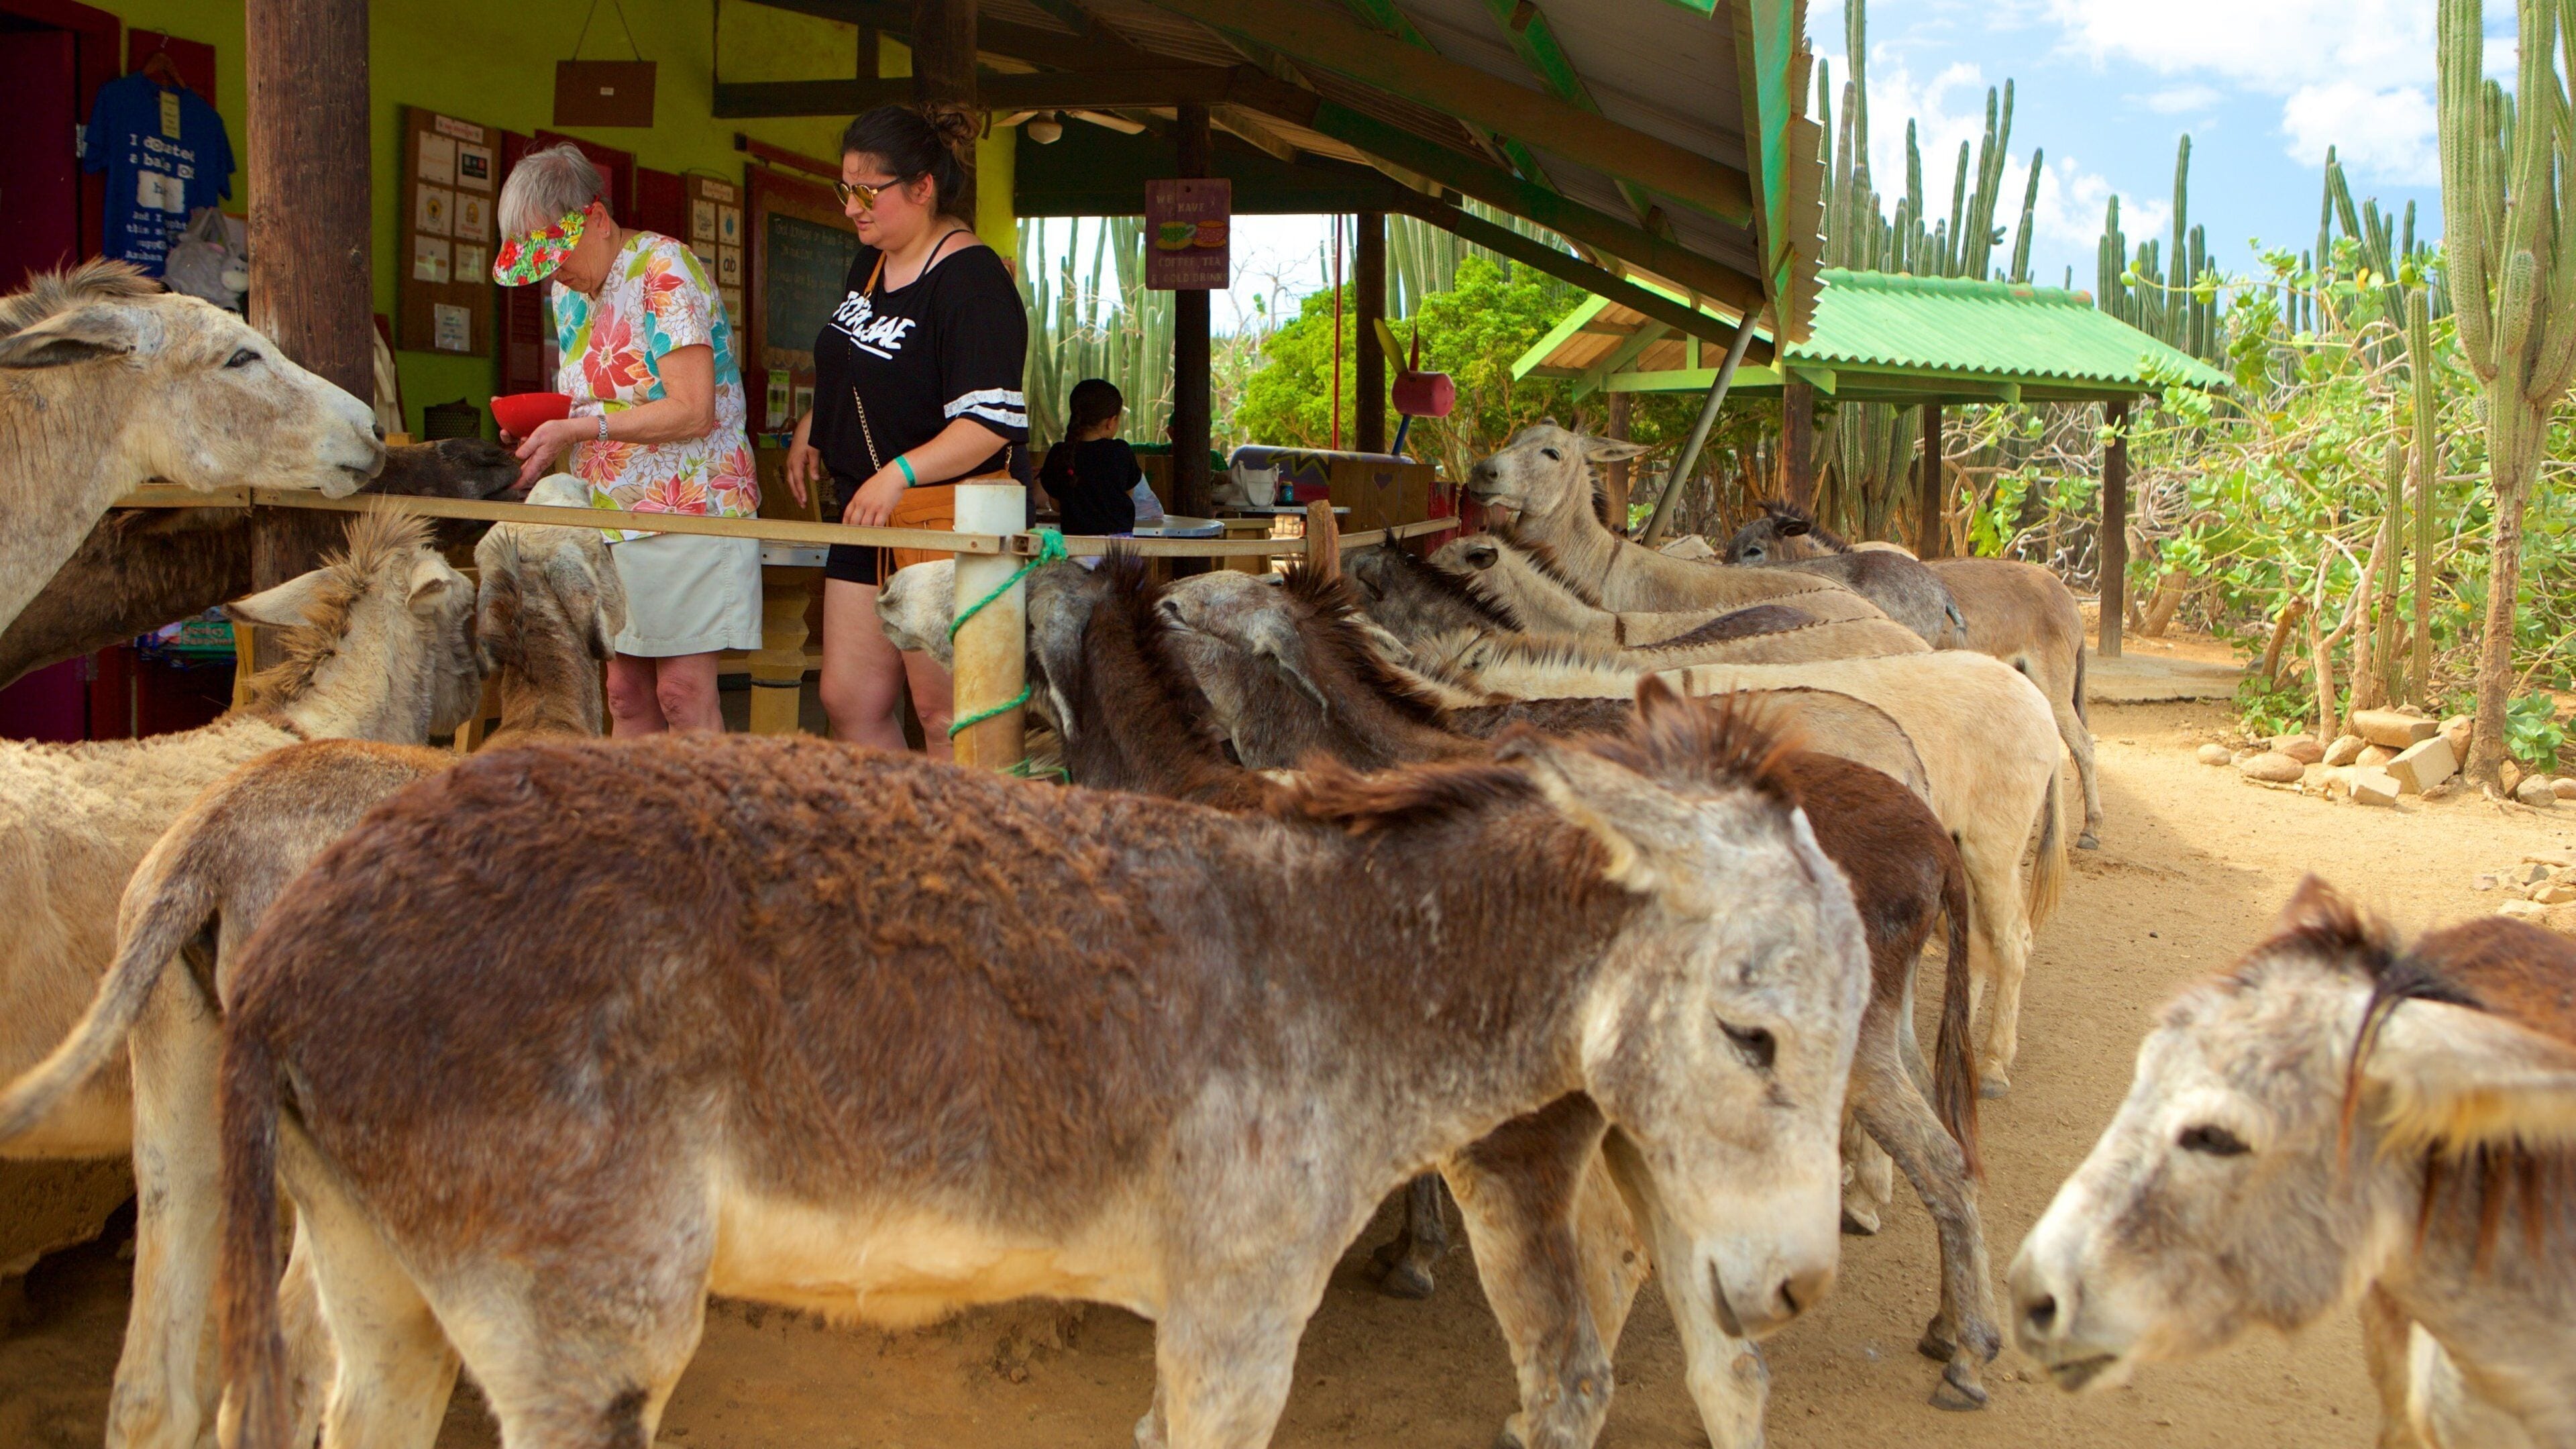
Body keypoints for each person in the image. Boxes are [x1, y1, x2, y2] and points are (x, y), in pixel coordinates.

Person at [492, 142, 760, 735]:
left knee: (682, 693)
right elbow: (595, 393)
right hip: (607, 513)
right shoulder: (568, 290)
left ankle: (705, 826)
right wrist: (543, 428)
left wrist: (580, 426)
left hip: (687, 506)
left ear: (597, 218)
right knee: (624, 694)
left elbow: (693, 410)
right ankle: (637, 827)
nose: (553, 270)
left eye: (557, 253)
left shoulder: (664, 268)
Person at [784, 106, 1028, 755]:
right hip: (868, 510)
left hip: (946, 514)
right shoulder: (867, 264)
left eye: (868, 192)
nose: (852, 208)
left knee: (945, 712)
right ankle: (897, 837)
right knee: (847, 697)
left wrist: (899, 472)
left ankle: (964, 852)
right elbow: (860, 362)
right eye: (845, 190)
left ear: (922, 188)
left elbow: (990, 424)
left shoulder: (972, 282)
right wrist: (818, 419)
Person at [1036, 378, 1144, 537]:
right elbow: (1128, 493)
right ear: (1111, 422)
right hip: (1120, 550)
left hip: (1076, 548)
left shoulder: (1060, 453)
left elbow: (1056, 505)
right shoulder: (1121, 451)